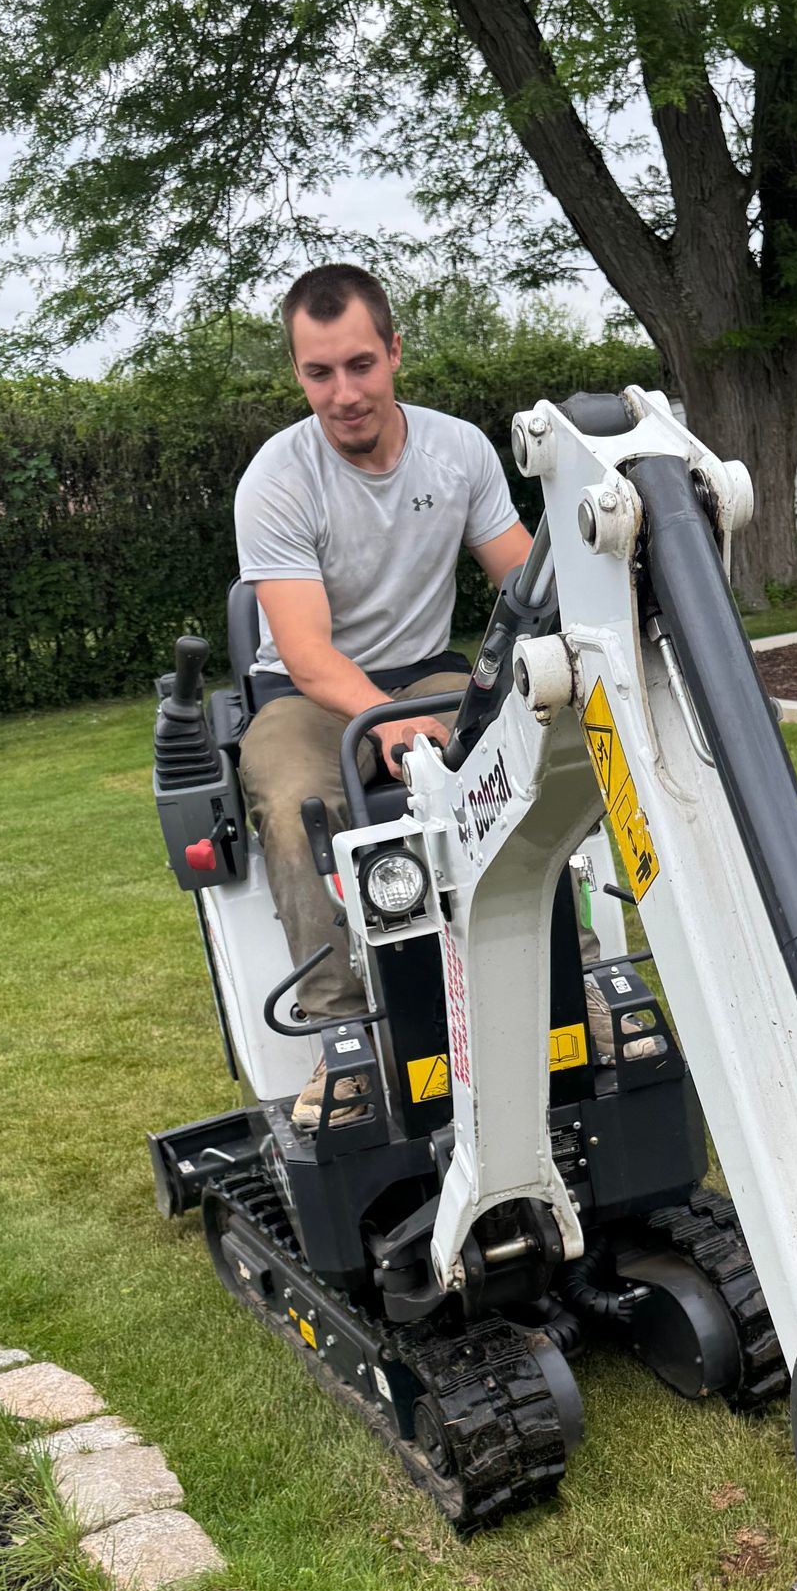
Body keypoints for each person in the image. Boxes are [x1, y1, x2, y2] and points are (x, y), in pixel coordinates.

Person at [236, 262, 532, 1131]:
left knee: (521, 759)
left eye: (360, 364)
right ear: (298, 374)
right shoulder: (277, 479)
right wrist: (394, 727)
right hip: (307, 693)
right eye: (319, 372)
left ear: (395, 351)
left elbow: (524, 580)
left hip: (428, 670)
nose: (344, 393)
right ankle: (343, 1041)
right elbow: (306, 653)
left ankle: (569, 983)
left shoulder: (459, 451)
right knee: (294, 803)